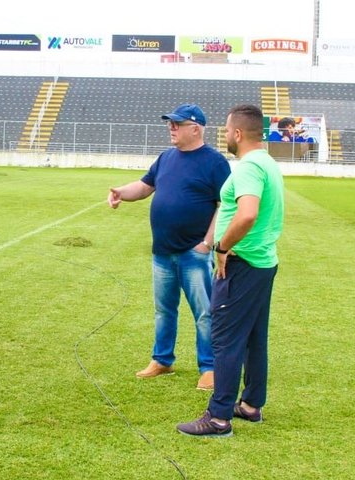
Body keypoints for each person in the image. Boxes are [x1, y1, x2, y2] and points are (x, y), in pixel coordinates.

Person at [177, 104, 284, 437]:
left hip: (241, 264)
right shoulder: (267, 161)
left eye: (225, 130)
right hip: (262, 262)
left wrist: (221, 247)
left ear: (237, 133)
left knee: (225, 339)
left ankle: (219, 416)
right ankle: (251, 405)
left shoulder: (249, 166)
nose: (224, 135)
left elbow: (247, 213)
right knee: (254, 337)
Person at [108, 103, 231, 390]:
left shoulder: (215, 162)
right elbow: (144, 186)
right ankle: (162, 360)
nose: (171, 128)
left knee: (204, 312)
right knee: (164, 310)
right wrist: (120, 193)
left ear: (196, 128)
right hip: (162, 252)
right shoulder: (166, 157)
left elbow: (224, 205)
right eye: (170, 123)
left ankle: (210, 367)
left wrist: (207, 243)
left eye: (177, 124)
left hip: (194, 253)